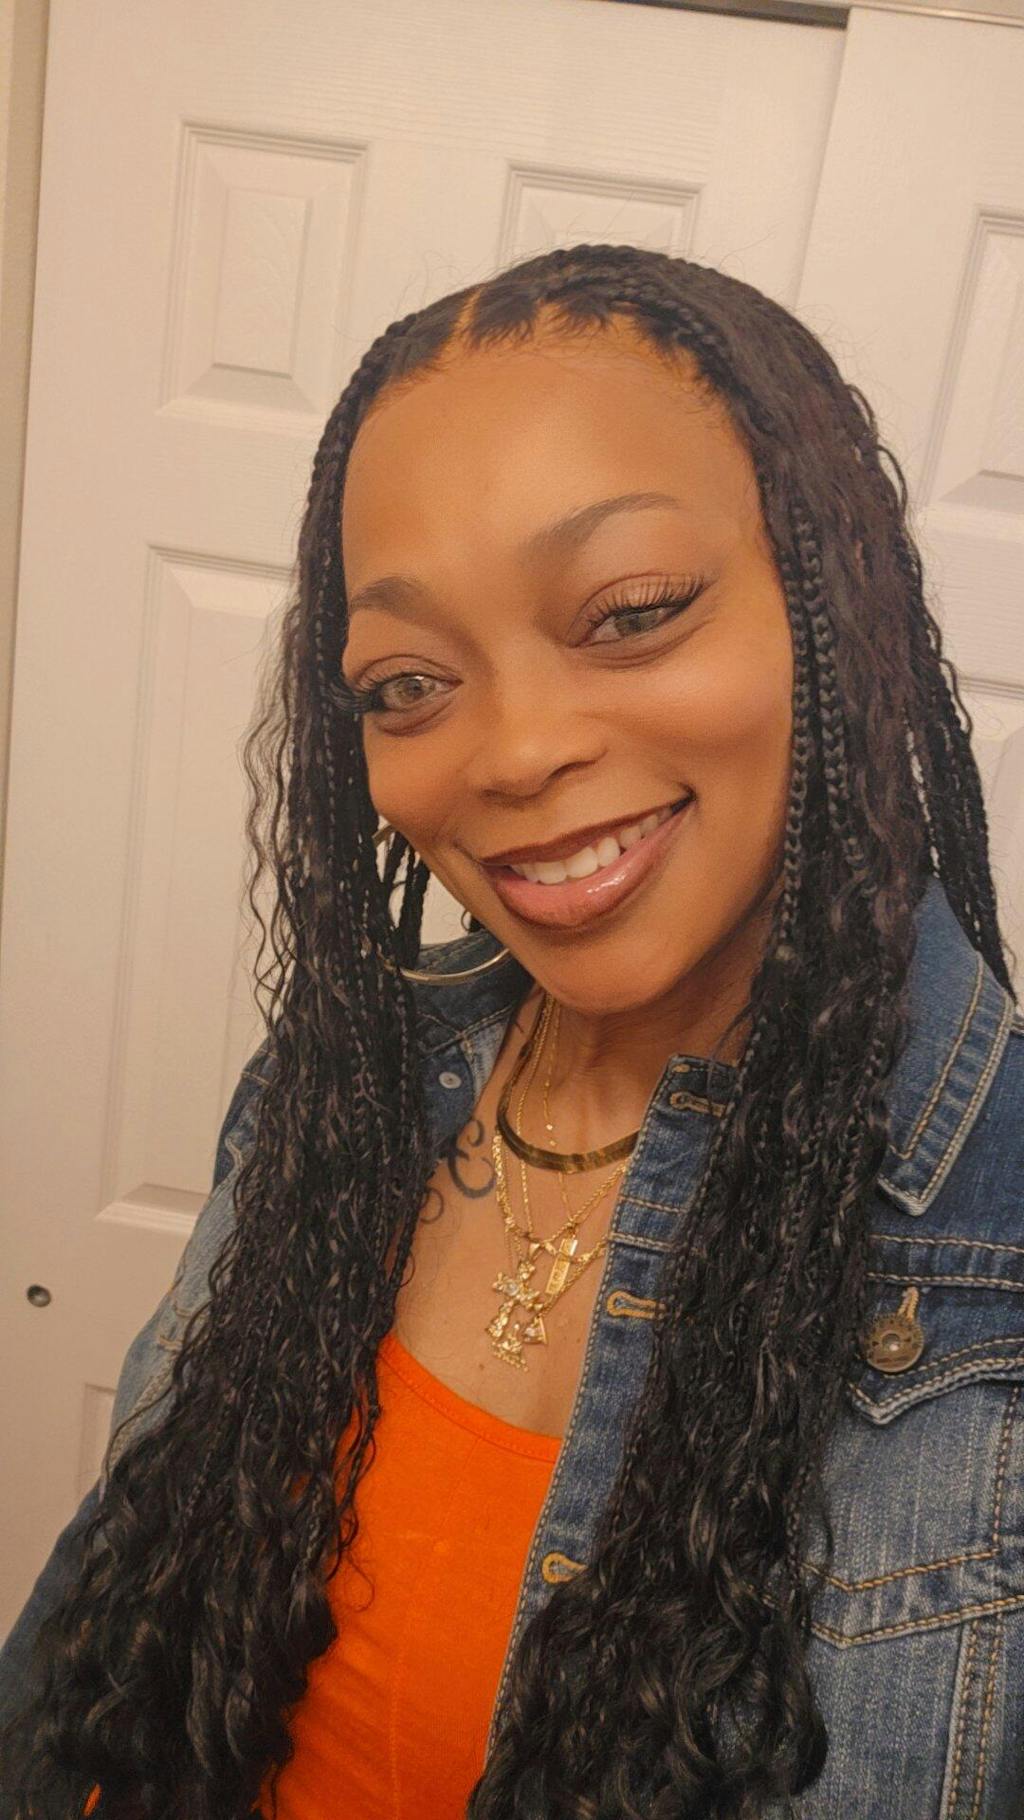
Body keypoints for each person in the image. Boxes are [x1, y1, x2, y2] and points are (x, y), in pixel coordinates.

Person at [1, 243, 1021, 1820]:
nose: (515, 751)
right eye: (410, 683)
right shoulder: (346, 1091)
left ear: (836, 606)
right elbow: (100, 1652)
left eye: (633, 613)